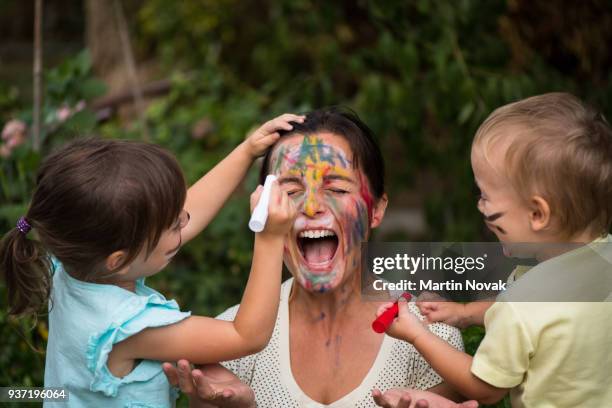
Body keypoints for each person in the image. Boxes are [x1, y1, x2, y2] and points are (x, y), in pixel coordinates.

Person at [164, 107, 476, 408]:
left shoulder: (434, 340)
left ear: (377, 210)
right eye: (290, 189)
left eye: (337, 189)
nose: (311, 206)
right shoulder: (226, 341)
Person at [0, 114, 304, 407]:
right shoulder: (129, 328)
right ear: (118, 260)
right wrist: (269, 237)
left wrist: (246, 150)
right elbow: (245, 335)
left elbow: (181, 215)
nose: (185, 218)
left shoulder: (74, 256)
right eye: (173, 224)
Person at [377, 92, 612, 407]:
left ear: (538, 214)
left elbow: (484, 387)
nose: (480, 205)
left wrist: (418, 335)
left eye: (487, 196)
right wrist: (465, 314)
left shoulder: (521, 303)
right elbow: (546, 321)